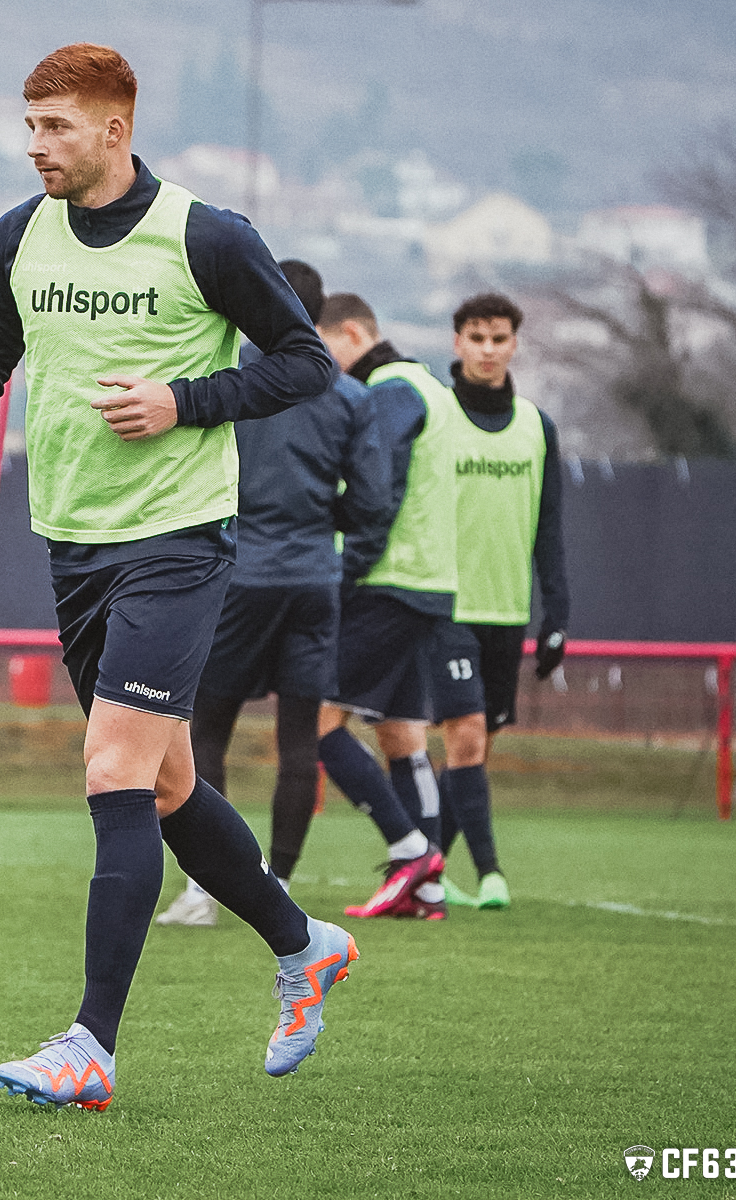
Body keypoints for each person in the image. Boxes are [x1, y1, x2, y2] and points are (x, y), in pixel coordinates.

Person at [0, 43, 358, 1109]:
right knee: (162, 786)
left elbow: (303, 362)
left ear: (114, 127)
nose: (35, 146)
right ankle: (304, 949)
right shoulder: (16, 235)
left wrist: (182, 400)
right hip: (71, 538)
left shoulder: (207, 235)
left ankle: (89, 1048)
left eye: (55, 127)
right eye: (28, 125)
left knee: (112, 769)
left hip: (178, 538)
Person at [158, 261, 393, 925]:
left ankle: (205, 890)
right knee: (300, 740)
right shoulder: (347, 394)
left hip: (236, 575)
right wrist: (322, 522)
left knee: (206, 729)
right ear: (319, 318)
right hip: (313, 581)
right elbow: (375, 503)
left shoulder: (230, 378)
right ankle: (279, 882)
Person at [312, 293, 459, 921]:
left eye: (324, 348)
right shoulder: (430, 386)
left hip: (386, 582)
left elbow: (379, 496)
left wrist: (345, 574)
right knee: (402, 733)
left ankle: (412, 852)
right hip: (428, 583)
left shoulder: (391, 391)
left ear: (351, 333)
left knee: (317, 721)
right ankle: (428, 892)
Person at [429, 293, 569, 910]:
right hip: (444, 607)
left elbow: (550, 528)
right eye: (477, 337)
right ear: (457, 341)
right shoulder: (431, 414)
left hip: (507, 612)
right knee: (465, 739)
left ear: (515, 344)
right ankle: (491, 875)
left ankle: (425, 869)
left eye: (500, 338)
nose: (488, 349)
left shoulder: (538, 427)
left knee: (477, 748)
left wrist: (557, 615)